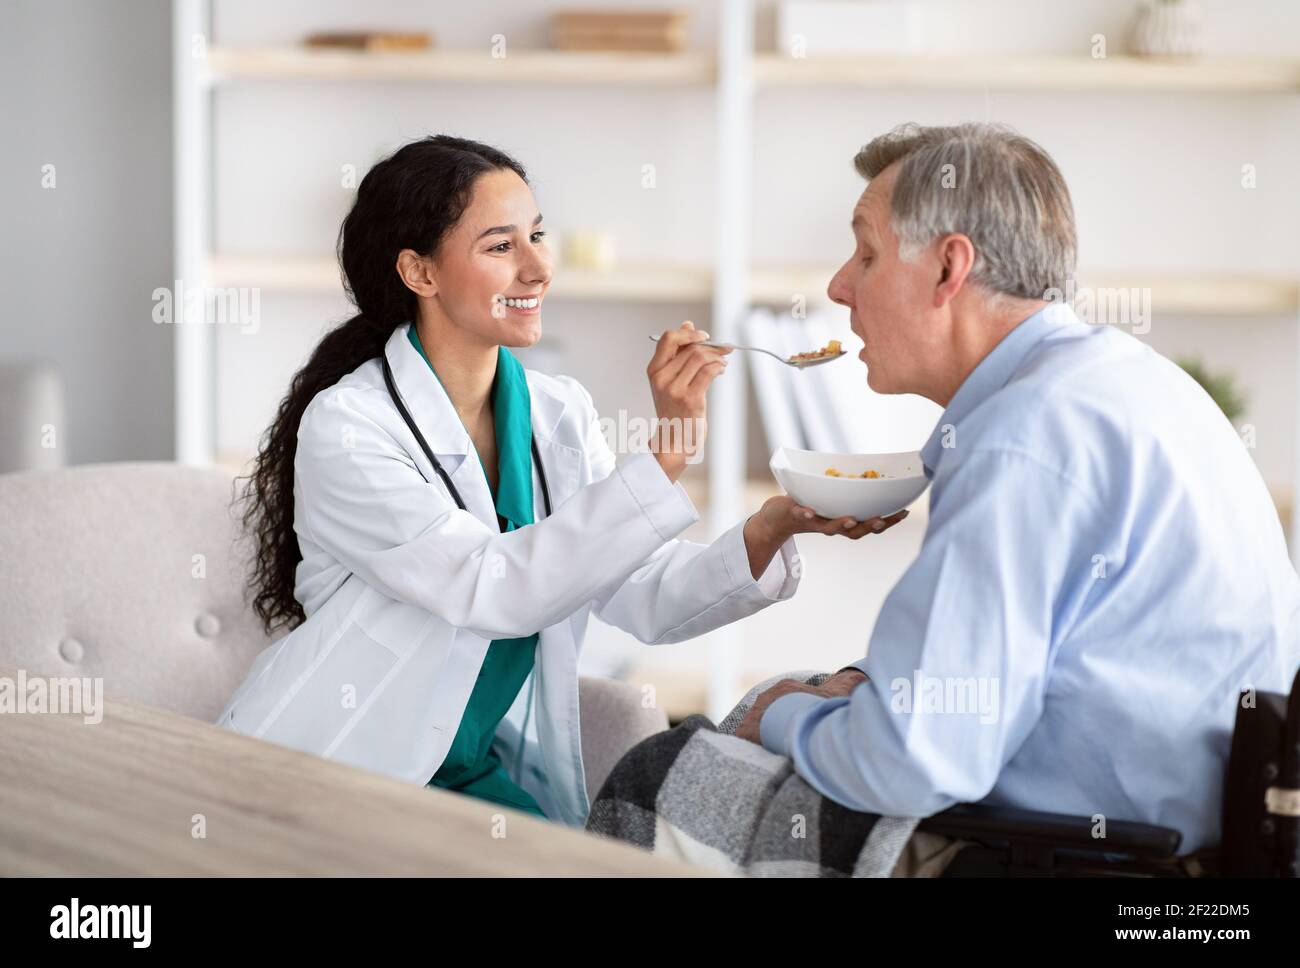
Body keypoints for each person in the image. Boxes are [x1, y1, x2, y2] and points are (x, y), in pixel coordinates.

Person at [215, 135, 906, 826]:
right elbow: (494, 586)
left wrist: (772, 526)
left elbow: (642, 595)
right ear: (420, 273)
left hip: (465, 775)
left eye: (538, 236)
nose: (539, 267)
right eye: (500, 246)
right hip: (340, 773)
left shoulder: (556, 413)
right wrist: (664, 457)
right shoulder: (350, 427)